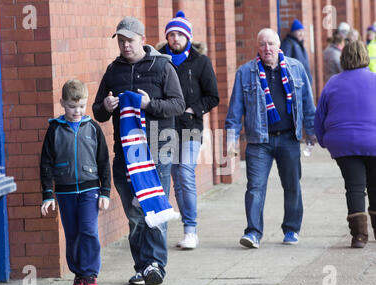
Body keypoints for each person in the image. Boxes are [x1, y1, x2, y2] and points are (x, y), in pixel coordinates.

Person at [92, 17, 185, 285]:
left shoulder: (163, 66)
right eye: (121, 41)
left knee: (153, 208)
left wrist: (149, 104)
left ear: (142, 40)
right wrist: (107, 107)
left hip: (157, 150)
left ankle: (155, 265)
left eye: (129, 40)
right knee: (134, 214)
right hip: (125, 154)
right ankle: (142, 266)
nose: (125, 46)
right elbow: (98, 111)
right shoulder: (113, 71)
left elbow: (178, 105)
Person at [225, 28, 316, 249]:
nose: (267, 48)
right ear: (258, 47)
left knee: (292, 185)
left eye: (271, 44)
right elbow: (235, 110)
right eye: (263, 44)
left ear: (279, 46)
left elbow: (307, 103)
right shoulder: (245, 73)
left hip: (288, 138)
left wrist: (312, 134)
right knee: (255, 187)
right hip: (259, 142)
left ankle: (292, 229)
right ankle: (253, 233)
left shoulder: (295, 68)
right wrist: (231, 139)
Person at [40, 79, 111, 285]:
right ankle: (78, 276)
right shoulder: (55, 130)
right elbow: (45, 163)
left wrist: (105, 191)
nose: (77, 111)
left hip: (90, 190)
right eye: (72, 106)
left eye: (81, 106)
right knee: (72, 234)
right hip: (65, 191)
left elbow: (103, 161)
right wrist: (47, 195)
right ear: (62, 103)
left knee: (88, 231)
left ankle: (90, 275)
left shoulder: (93, 128)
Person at [156, 11, 219, 249]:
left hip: (190, 126)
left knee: (185, 173)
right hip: (163, 128)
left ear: (188, 37)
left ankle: (191, 229)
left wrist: (194, 109)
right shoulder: (158, 60)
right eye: (171, 33)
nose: (175, 38)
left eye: (179, 33)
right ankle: (177, 227)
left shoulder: (201, 62)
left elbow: (213, 96)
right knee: (174, 178)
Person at [314, 40, 376, 248]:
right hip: (374, 142)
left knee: (354, 187)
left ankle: (359, 236)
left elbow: (319, 116)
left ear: (343, 58)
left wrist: (323, 140)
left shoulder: (333, 83)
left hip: (343, 144)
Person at [281, 19, 313, 84]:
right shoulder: (288, 43)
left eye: (302, 31)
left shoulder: (299, 43)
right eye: (298, 31)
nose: (301, 34)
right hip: (297, 81)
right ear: (293, 32)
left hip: (304, 80)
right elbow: (285, 62)